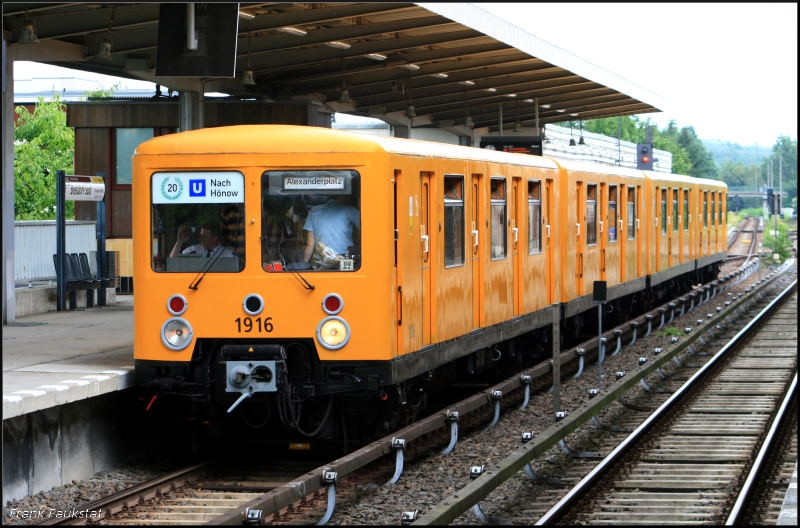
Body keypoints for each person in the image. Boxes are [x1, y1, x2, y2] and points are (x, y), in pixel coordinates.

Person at [302, 195, 360, 268]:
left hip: (323, 257)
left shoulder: (314, 212)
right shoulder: (349, 210)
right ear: (340, 197)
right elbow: (366, 229)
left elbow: (310, 243)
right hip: (345, 257)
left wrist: (304, 264)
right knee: (345, 275)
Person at [170, 225, 234, 258]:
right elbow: (173, 263)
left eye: (205, 236)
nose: (200, 239)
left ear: (215, 238)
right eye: (201, 235)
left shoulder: (227, 254)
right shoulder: (193, 250)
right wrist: (179, 242)